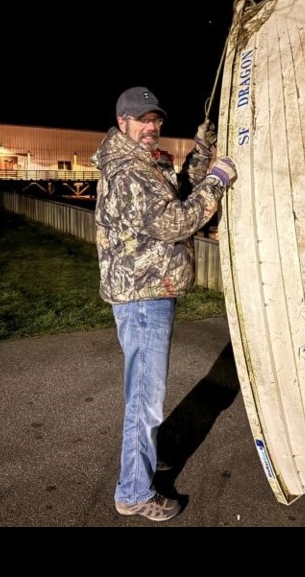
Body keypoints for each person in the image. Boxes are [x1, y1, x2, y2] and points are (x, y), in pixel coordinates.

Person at [93, 86, 237, 522]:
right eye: (142, 120)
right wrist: (219, 179)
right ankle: (134, 492)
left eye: (155, 120)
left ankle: (143, 460)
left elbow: (178, 191)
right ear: (123, 122)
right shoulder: (130, 171)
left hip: (147, 290)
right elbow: (177, 221)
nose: (151, 127)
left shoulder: (143, 163)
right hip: (143, 296)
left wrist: (203, 151)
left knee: (143, 393)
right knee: (145, 398)